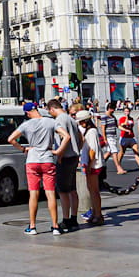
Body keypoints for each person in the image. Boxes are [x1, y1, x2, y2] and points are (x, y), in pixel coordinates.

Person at [8, 101, 67, 235]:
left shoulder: (26, 125)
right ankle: (55, 226)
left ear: (27, 113)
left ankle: (33, 226)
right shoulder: (50, 122)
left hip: (32, 160)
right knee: (50, 193)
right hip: (47, 159)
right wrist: (58, 151)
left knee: (33, 194)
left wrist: (23, 149)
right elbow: (66, 136)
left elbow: (11, 139)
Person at [50, 99, 82, 231]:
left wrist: (59, 154)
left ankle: (66, 220)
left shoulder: (59, 120)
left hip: (65, 157)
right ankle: (74, 219)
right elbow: (81, 138)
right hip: (74, 156)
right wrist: (77, 149)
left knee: (63, 191)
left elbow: (65, 137)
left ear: (52, 109)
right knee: (72, 190)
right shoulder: (71, 119)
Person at [76, 109, 106, 225]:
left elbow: (92, 150)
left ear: (85, 121)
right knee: (91, 190)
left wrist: (88, 164)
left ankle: (98, 214)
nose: (79, 124)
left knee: (94, 191)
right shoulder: (90, 131)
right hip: (91, 164)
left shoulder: (92, 132)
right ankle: (95, 212)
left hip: (93, 164)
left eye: (80, 122)